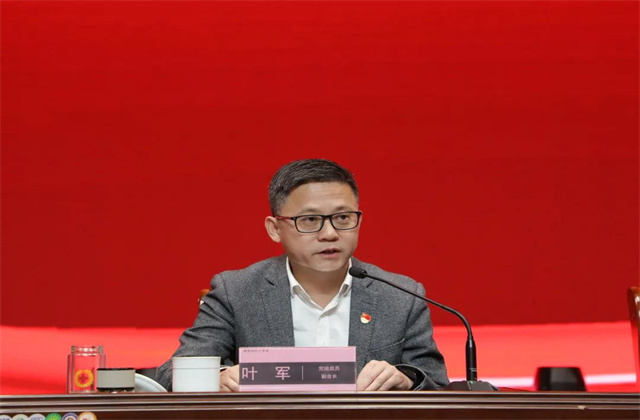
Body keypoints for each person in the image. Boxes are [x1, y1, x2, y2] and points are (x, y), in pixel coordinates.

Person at [156, 159, 449, 391]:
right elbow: (172, 372)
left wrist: (406, 378)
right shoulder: (236, 291)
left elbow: (435, 380)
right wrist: (219, 377)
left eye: (343, 218)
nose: (330, 233)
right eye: (310, 220)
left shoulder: (399, 295)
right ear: (275, 229)